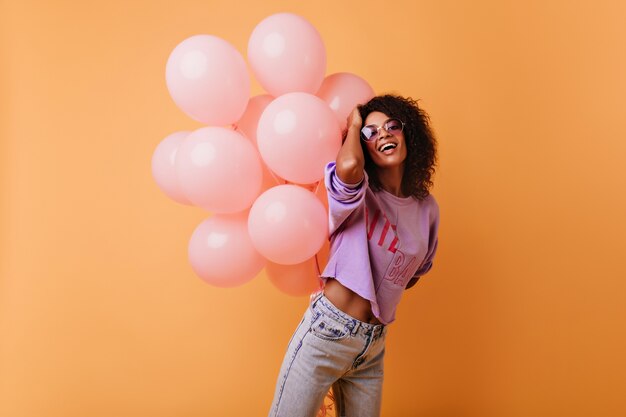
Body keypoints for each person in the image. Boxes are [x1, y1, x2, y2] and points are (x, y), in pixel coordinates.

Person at [268, 94, 440, 417]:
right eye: (370, 133)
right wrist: (354, 123)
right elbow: (347, 165)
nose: (383, 134)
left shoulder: (427, 208)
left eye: (392, 126)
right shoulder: (359, 191)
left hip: (372, 345)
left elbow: (414, 273)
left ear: (409, 134)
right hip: (327, 332)